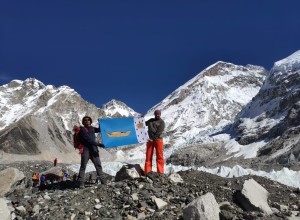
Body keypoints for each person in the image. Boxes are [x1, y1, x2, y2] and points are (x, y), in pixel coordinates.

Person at [77, 116, 108, 188]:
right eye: (85, 120)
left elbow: (100, 129)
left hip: (94, 150)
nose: (87, 121)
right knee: (83, 166)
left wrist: (101, 122)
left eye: (88, 120)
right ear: (83, 122)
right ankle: (81, 182)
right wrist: (98, 144)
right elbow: (88, 139)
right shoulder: (82, 130)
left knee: (98, 165)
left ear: (90, 121)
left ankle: (103, 181)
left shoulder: (92, 128)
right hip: (86, 150)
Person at [144, 109, 165, 174]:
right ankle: (147, 172)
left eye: (159, 114)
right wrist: (141, 118)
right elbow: (143, 123)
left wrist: (153, 138)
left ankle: (160, 172)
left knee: (159, 156)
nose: (157, 115)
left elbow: (159, 132)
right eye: (156, 114)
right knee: (148, 155)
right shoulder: (150, 120)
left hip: (158, 140)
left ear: (160, 114)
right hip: (150, 140)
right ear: (154, 114)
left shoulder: (162, 122)